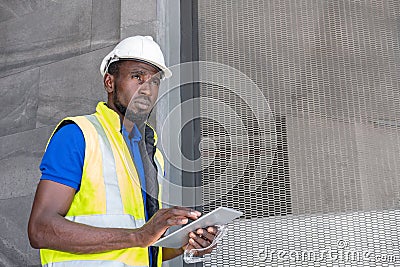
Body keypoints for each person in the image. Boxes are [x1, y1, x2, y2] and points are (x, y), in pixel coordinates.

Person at [28, 36, 216, 267]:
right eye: (137, 76)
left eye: (155, 82)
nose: (147, 89)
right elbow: (40, 229)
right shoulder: (78, 135)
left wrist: (183, 243)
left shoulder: (151, 154)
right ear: (110, 82)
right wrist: (139, 236)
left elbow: (143, 246)